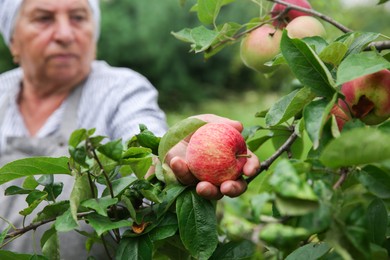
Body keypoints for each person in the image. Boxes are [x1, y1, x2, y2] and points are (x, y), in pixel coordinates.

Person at [0, 0, 260, 258]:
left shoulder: (120, 89)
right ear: (13, 40)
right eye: (44, 18)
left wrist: (168, 151)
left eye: (78, 17)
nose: (66, 34)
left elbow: (140, 138)